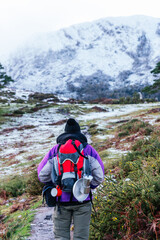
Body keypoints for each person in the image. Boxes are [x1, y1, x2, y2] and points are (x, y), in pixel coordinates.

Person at [38, 118, 104, 240]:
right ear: (79, 133)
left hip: (61, 201)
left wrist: (55, 183)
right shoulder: (88, 150)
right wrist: (87, 186)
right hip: (83, 200)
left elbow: (42, 175)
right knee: (81, 238)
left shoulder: (55, 150)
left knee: (61, 237)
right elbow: (99, 176)